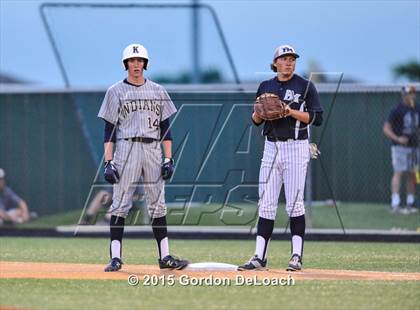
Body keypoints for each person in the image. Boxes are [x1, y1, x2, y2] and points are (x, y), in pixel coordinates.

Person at [97, 43, 188, 272]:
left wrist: (169, 159)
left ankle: (165, 256)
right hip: (126, 147)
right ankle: (115, 257)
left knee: (158, 204)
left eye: (139, 61)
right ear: (126, 64)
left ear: (145, 64)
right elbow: (109, 131)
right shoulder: (115, 91)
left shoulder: (158, 90)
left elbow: (166, 129)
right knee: (120, 203)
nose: (136, 65)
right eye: (132, 61)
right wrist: (108, 162)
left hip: (152, 149)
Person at [238, 45, 323, 272]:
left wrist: (289, 111)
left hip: (296, 147)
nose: (289, 62)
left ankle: (296, 256)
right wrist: (259, 112)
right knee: (265, 205)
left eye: (292, 59)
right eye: (284, 59)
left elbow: (316, 118)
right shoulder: (266, 86)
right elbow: (256, 120)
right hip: (271, 148)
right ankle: (259, 257)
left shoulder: (305, 86)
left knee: (295, 205)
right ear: (275, 62)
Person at [383, 86, 419, 214]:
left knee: (412, 174)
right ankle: (395, 202)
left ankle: (411, 202)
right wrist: (398, 139)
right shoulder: (397, 110)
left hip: (414, 147)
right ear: (403, 95)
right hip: (400, 147)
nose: (412, 96)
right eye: (409, 94)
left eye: (413, 94)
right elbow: (386, 128)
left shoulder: (417, 108)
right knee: (398, 172)